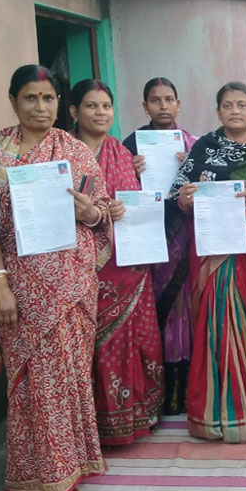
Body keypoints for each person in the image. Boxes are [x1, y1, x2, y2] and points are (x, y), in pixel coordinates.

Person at [0, 65, 110, 491]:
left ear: (58, 103)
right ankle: (40, 473)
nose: (40, 107)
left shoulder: (73, 150)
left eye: (48, 98)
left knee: (71, 379)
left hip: (74, 287)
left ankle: (74, 465)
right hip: (21, 290)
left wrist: (90, 212)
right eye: (30, 98)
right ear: (13, 101)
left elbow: (102, 213)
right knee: (34, 384)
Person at [169, 81, 246, 443]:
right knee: (213, 326)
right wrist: (185, 199)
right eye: (227, 105)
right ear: (218, 111)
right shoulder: (204, 149)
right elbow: (178, 195)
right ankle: (207, 415)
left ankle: (243, 406)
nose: (235, 111)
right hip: (211, 251)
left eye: (242, 104)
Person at [70, 79, 164, 445]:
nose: (100, 112)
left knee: (132, 338)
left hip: (128, 266)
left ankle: (136, 416)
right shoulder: (63, 155)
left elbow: (139, 203)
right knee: (89, 344)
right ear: (74, 111)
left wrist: (124, 207)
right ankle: (94, 425)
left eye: (106, 106)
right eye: (91, 105)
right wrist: (95, 214)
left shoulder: (123, 153)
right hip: (82, 267)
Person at [123, 77, 197, 415]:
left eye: (169, 99)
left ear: (178, 104)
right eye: (155, 100)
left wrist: (192, 166)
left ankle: (186, 389)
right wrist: (131, 172)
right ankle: (157, 391)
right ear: (145, 106)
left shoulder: (194, 144)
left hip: (184, 239)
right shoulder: (129, 146)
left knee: (184, 313)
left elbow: (209, 187)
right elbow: (118, 192)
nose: (163, 106)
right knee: (155, 312)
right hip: (149, 240)